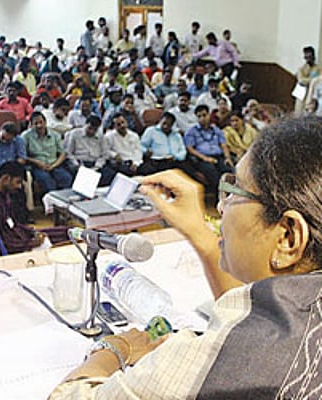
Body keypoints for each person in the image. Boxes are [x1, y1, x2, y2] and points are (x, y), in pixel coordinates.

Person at [51, 115, 322, 399]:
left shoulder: (246, 356)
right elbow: (258, 319)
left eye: (235, 191)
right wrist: (199, 232)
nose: (220, 206)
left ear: (288, 237)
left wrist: (117, 349)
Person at [0, 161, 69, 254]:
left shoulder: (2, 196)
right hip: (15, 246)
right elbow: (2, 242)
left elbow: (13, 224)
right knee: (60, 247)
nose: (19, 187)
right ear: (5, 179)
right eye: (18, 182)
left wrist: (33, 232)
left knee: (64, 232)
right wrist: (31, 243)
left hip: (18, 237)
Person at [184, 104, 234, 194]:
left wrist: (227, 158)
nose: (202, 118)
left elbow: (223, 145)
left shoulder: (216, 130)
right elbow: (190, 149)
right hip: (202, 159)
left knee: (228, 171)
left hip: (219, 157)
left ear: (209, 115)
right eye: (199, 116)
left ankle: (230, 197)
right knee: (213, 173)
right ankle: (219, 198)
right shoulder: (191, 131)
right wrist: (205, 158)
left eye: (204, 115)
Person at [21, 111, 73, 193]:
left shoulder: (55, 134)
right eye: (36, 123)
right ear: (31, 125)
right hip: (37, 166)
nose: (39, 126)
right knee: (47, 182)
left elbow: (63, 154)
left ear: (45, 122)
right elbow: (22, 156)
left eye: (41, 122)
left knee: (66, 178)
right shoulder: (25, 136)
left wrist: (54, 165)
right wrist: (36, 162)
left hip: (54, 164)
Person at [64, 115, 115, 186]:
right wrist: (77, 165)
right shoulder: (75, 133)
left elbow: (104, 154)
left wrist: (97, 166)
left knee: (110, 174)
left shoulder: (100, 136)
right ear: (85, 124)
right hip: (79, 162)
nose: (91, 132)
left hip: (95, 163)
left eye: (95, 130)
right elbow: (69, 153)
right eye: (89, 128)